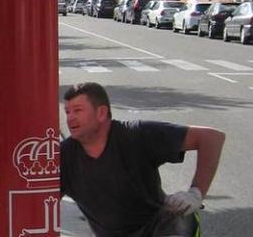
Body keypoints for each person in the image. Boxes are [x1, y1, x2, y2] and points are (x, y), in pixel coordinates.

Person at [60, 82, 226, 237]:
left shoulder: (135, 135)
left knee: (181, 217)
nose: (70, 118)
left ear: (101, 113)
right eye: (67, 112)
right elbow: (42, 200)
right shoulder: (64, 156)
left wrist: (196, 193)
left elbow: (211, 138)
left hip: (160, 228)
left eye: (78, 110)